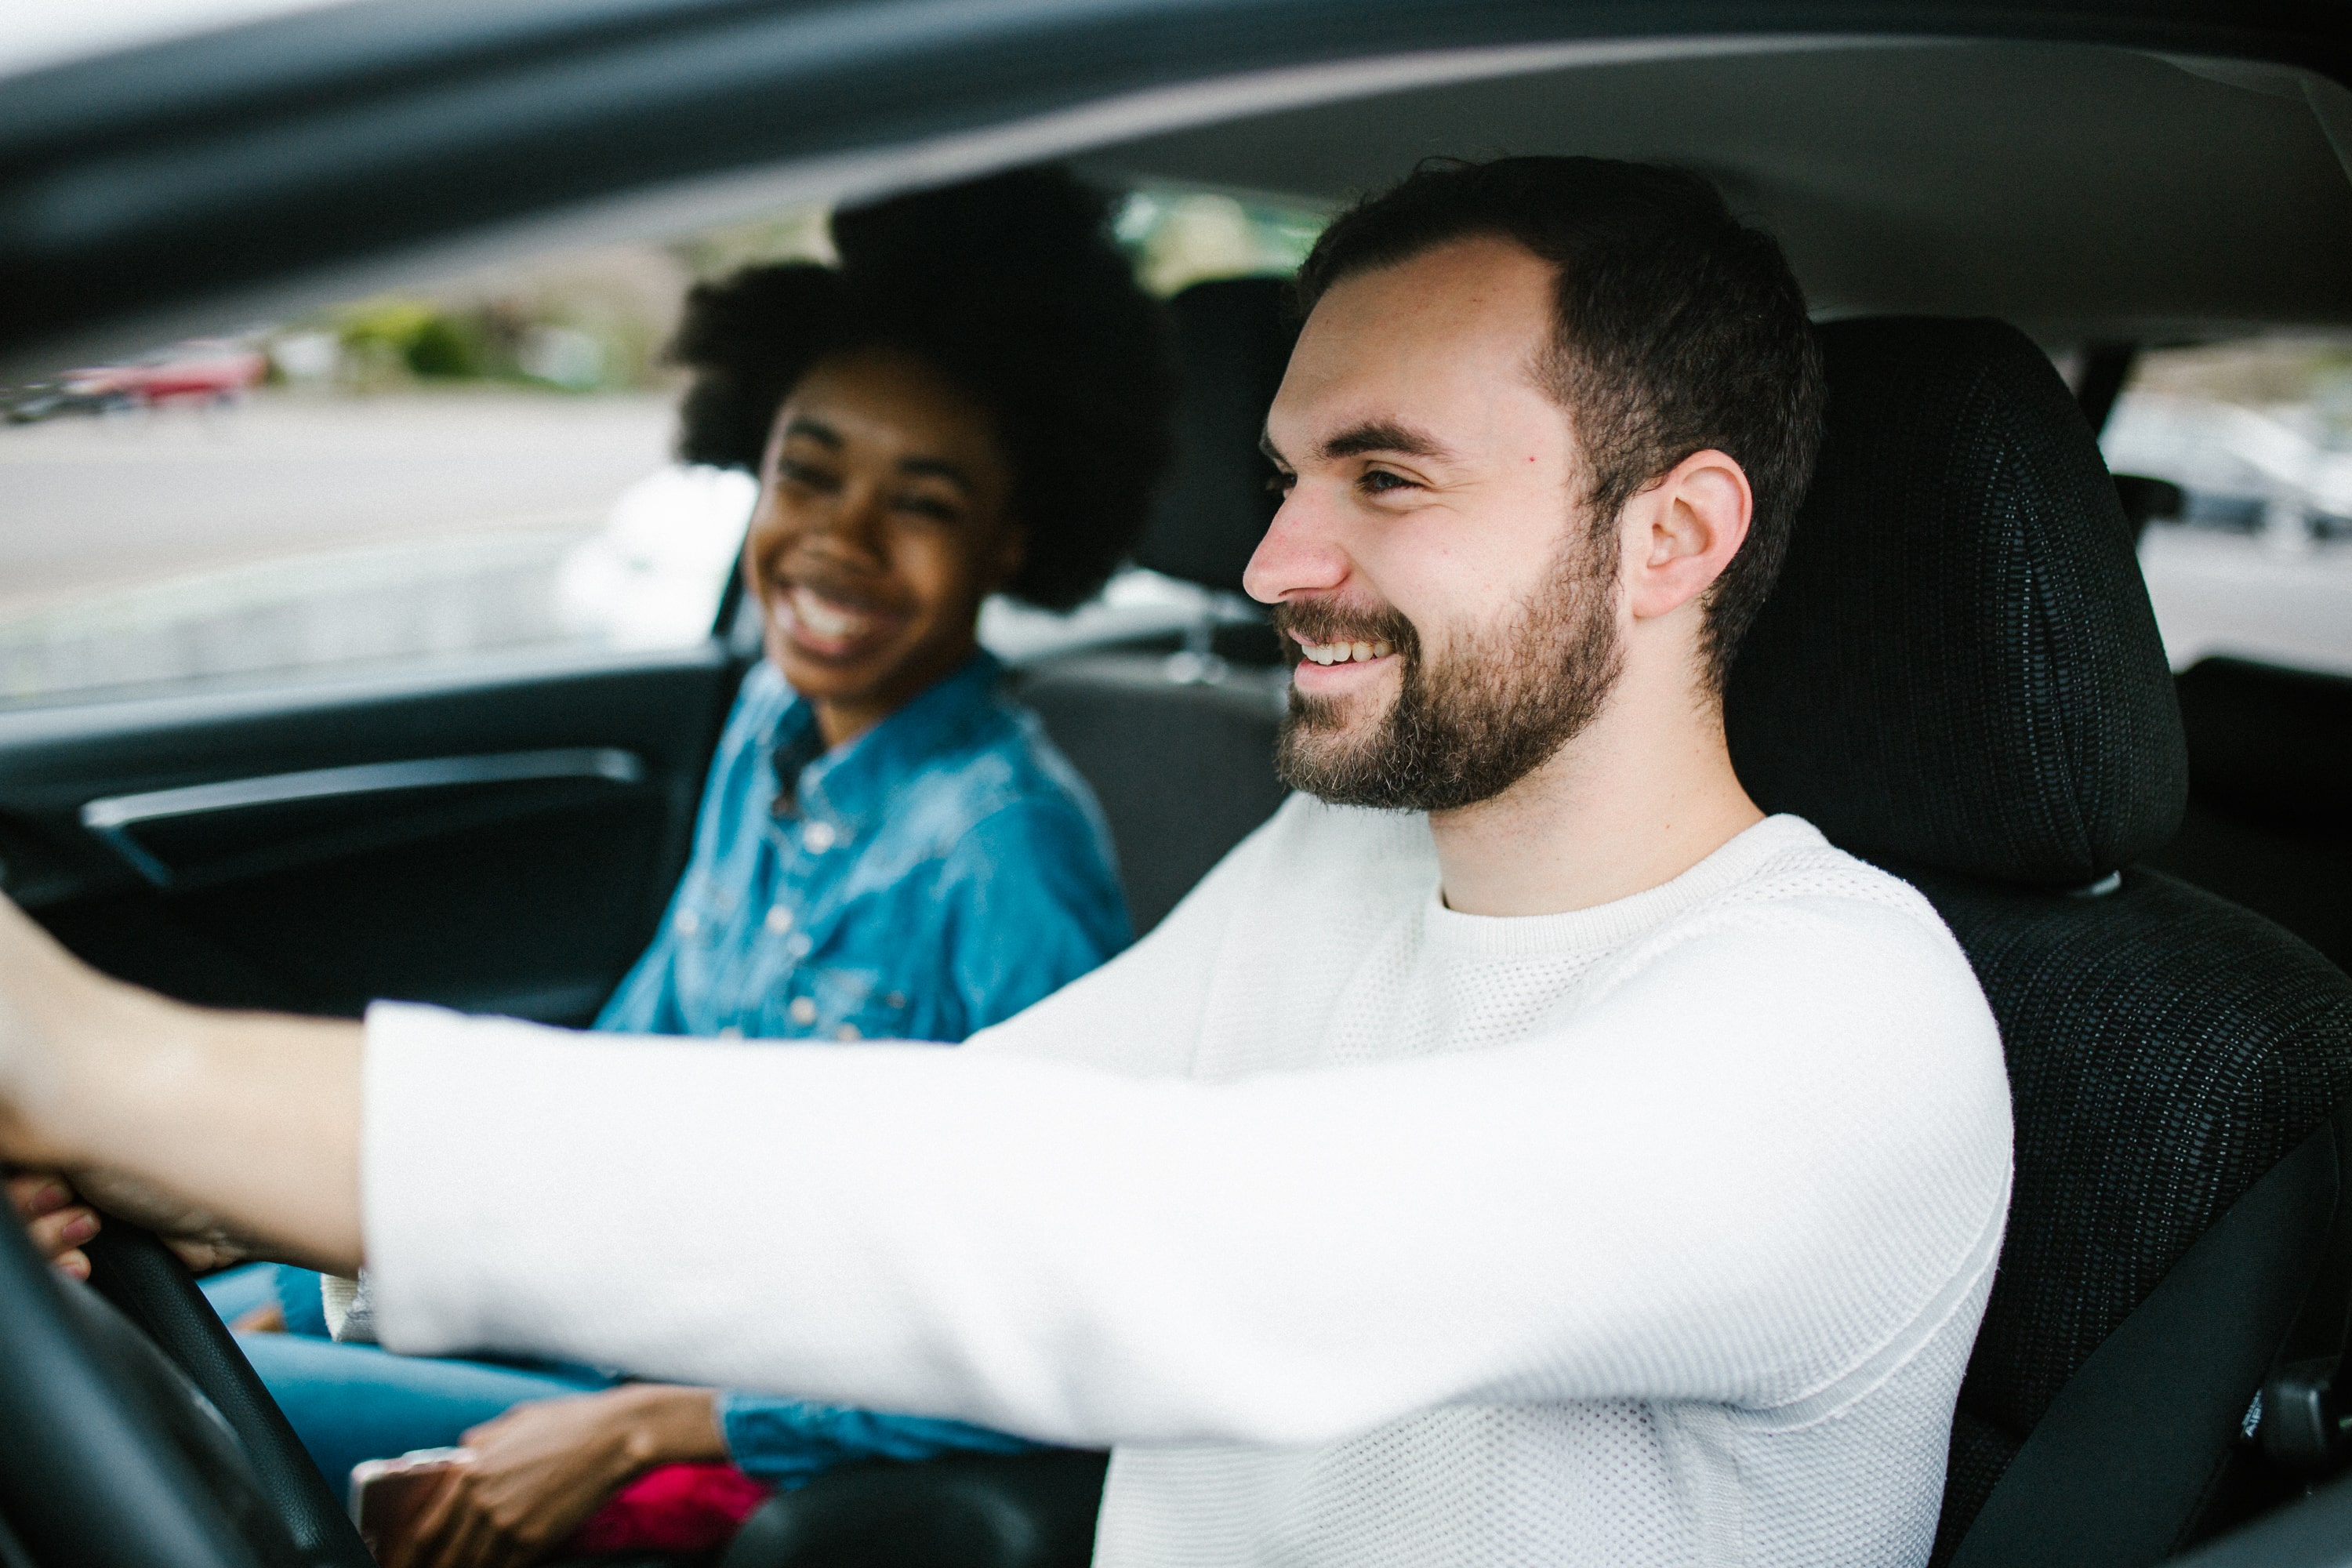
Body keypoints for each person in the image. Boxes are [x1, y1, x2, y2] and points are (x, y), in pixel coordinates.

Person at [1, 157, 2013, 1568]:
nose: (1270, 566)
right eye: (1285, 476)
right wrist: (267, 1212)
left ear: (1673, 538)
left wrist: (129, 1068)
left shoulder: (1843, 1027)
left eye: (1385, 477)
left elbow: (1147, 1239)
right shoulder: (1343, 874)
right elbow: (924, 1139)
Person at [191, 165, 1168, 1559]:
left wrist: (650, 1423)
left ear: (1016, 539)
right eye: (808, 472)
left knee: (209, 1403)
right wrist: (337, 1225)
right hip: (637, 1320)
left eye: (924, 503)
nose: (839, 537)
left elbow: (1056, 1323)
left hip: (785, 1440)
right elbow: (627, 1083)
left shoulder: (1006, 853)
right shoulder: (775, 724)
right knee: (212, 1319)